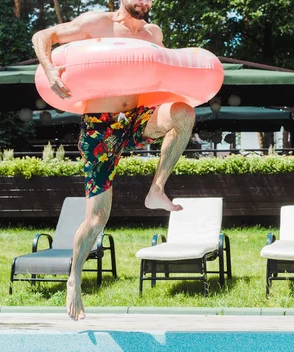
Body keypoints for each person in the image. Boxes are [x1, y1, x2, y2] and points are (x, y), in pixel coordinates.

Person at [32, 0, 195, 321]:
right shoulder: (98, 23)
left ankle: (157, 189)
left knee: (184, 114)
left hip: (136, 116)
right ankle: (74, 280)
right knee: (97, 219)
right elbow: (43, 35)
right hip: (99, 126)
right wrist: (51, 70)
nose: (145, 3)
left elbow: (162, 72)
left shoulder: (153, 33)